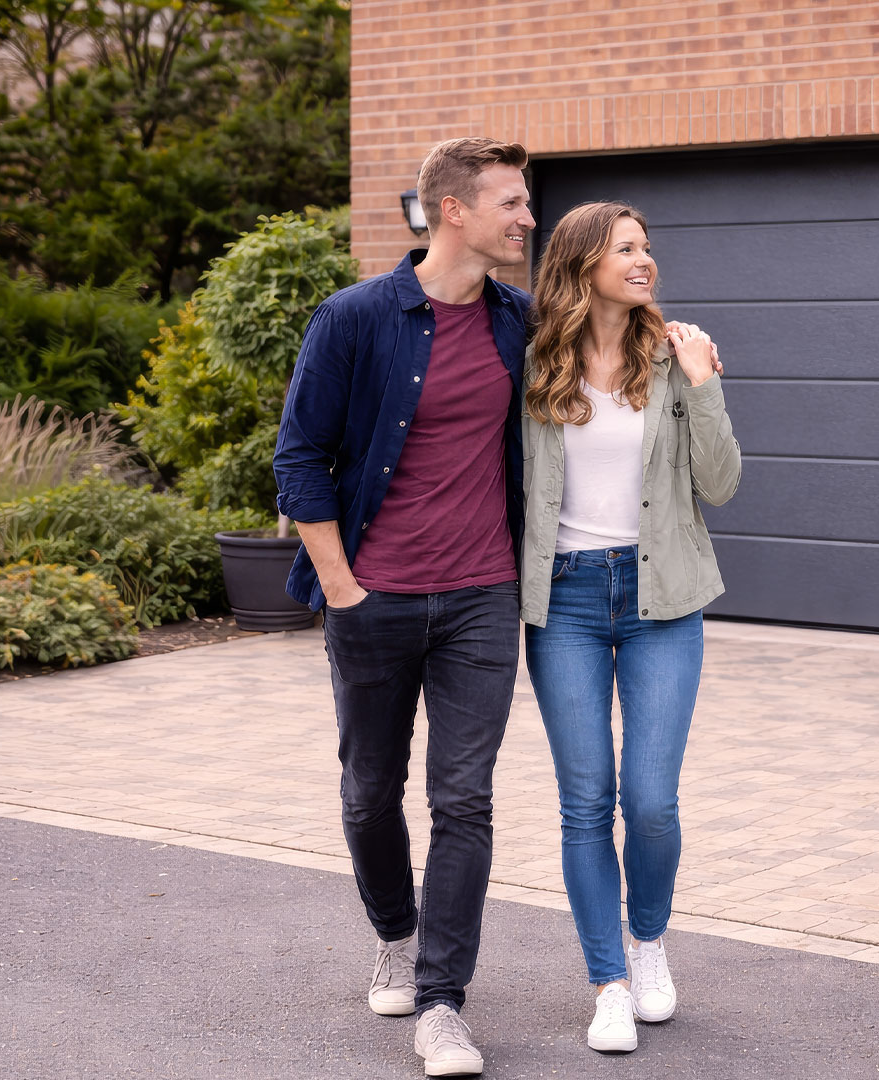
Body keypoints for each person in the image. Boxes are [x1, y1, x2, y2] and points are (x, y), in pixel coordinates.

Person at [273, 136, 535, 1078]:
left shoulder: (519, 320)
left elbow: (595, 376)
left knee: (463, 798)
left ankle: (442, 1002)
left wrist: (675, 350)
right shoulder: (354, 317)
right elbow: (299, 456)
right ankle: (395, 931)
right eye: (511, 202)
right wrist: (342, 585)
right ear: (453, 210)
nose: (527, 217)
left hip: (481, 599)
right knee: (369, 789)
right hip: (374, 597)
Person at [519, 200, 742, 1053]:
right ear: (583, 264)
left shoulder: (676, 357)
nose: (644, 260)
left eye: (647, 246)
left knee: (650, 801)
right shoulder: (534, 362)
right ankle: (607, 982)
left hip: (663, 600)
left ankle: (649, 944)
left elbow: (720, 484)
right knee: (586, 802)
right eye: (625, 248)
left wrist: (703, 381)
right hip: (566, 600)